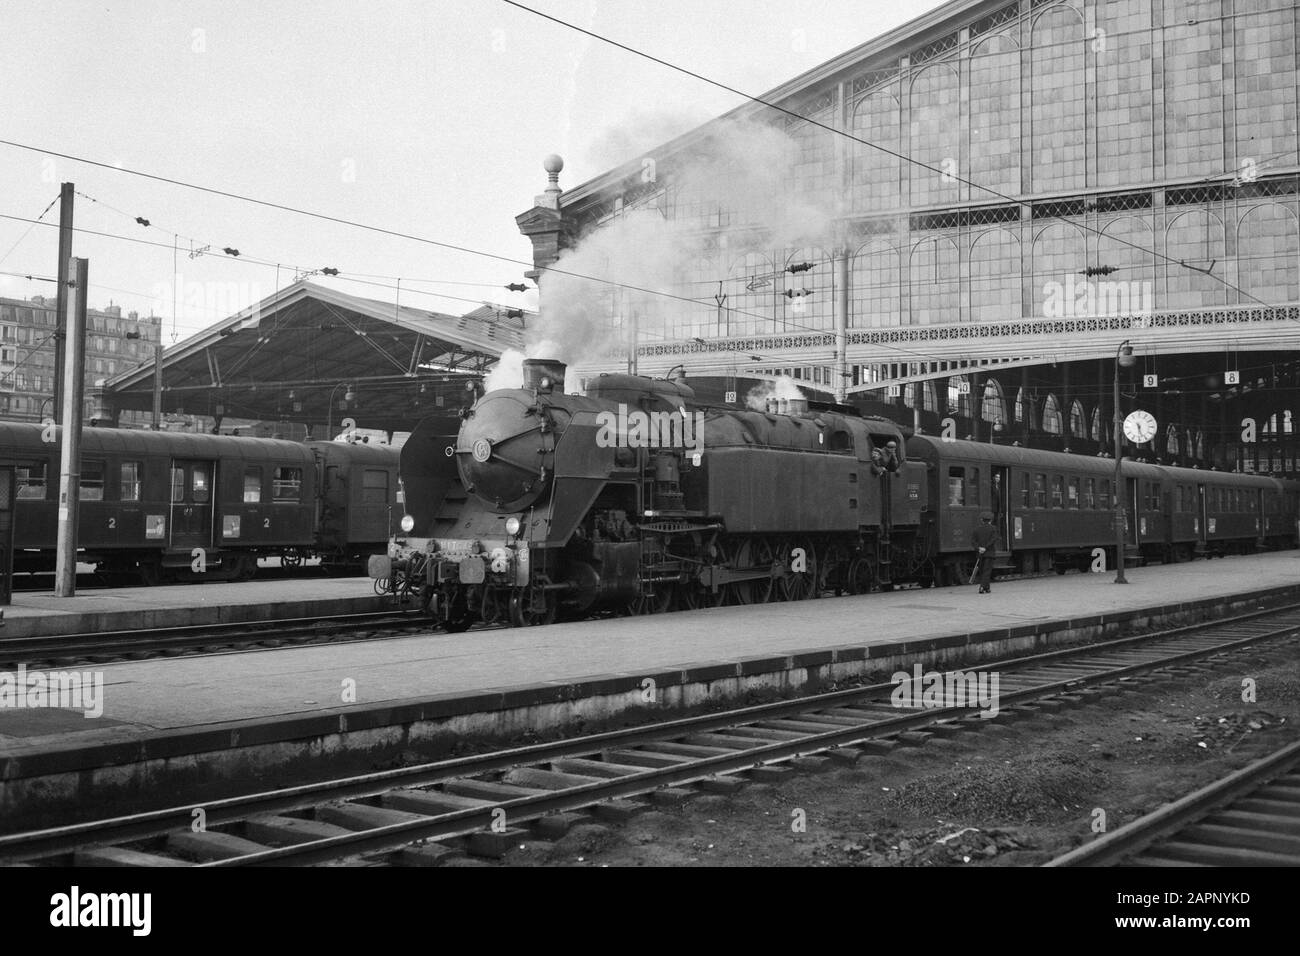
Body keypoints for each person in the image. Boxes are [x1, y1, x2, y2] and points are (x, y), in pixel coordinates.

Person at [971, 510, 998, 594]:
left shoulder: (976, 529)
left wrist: (979, 548)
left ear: (981, 520)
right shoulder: (993, 528)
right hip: (989, 553)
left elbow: (973, 541)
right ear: (990, 520)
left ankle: (987, 588)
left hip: (980, 553)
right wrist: (985, 547)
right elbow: (993, 539)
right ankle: (982, 587)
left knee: (982, 570)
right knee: (987, 571)